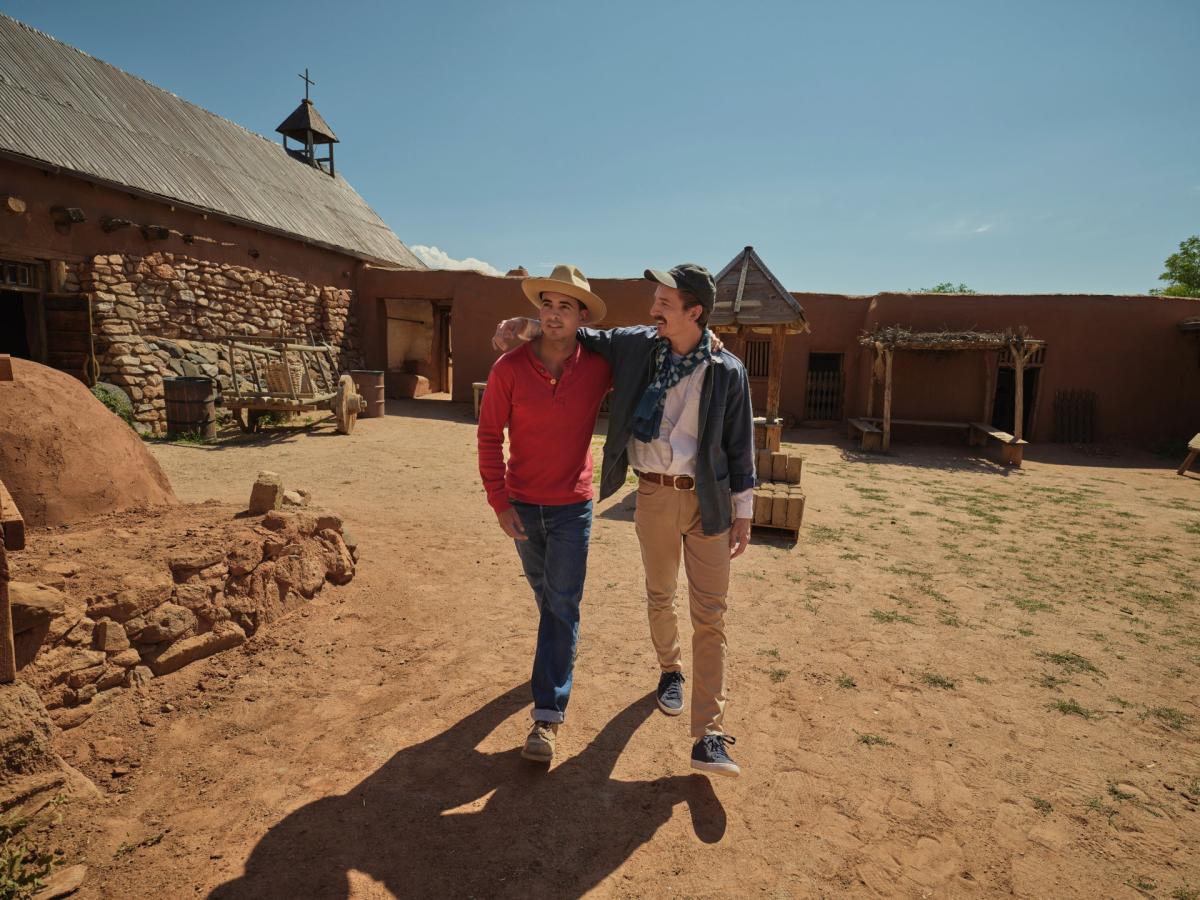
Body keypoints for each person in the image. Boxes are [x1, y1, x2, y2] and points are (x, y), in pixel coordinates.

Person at [493, 263, 754, 777]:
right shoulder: (640, 346)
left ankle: (709, 734)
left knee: (711, 615)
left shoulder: (727, 370)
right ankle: (669, 671)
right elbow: (580, 330)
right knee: (660, 595)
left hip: (710, 503)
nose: (653, 309)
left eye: (664, 302)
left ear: (693, 312)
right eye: (654, 299)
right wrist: (523, 325)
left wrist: (744, 511)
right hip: (654, 496)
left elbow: (740, 444)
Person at [477, 264, 612, 764]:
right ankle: (558, 653)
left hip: (573, 506)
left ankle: (547, 718)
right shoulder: (508, 368)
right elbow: (490, 436)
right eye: (547, 305)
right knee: (548, 598)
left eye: (566, 306)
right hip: (522, 505)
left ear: (581, 316)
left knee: (560, 605)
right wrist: (499, 501)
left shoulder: (599, 365)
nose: (554, 315)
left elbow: (642, 352)